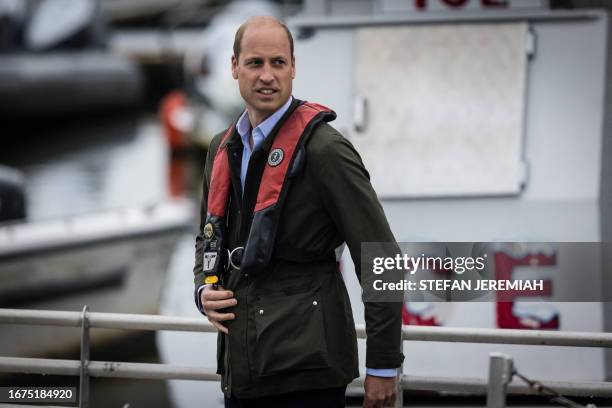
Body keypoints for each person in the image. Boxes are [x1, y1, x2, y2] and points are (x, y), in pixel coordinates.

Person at [192, 16, 404, 408]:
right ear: (234, 66)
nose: (267, 76)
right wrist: (203, 289)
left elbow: (383, 259)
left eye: (278, 63)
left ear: (294, 67)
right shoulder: (221, 149)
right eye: (255, 63)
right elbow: (206, 239)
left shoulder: (326, 150)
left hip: (308, 373)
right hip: (242, 373)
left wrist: (384, 365)